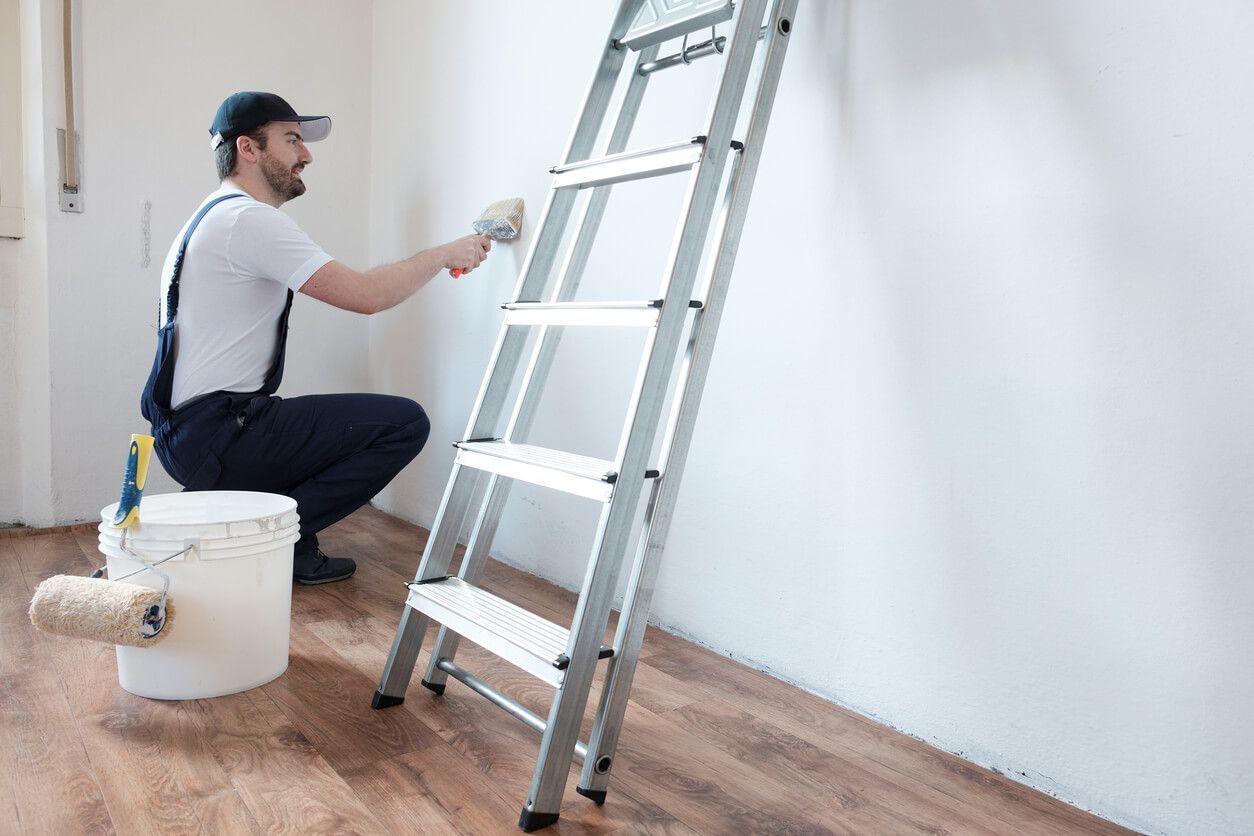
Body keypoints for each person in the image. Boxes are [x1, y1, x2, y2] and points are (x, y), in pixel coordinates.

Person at [141, 91, 491, 585]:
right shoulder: (249, 219)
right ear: (249, 148)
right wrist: (443, 254)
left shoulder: (211, 216)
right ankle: (255, 543)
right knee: (403, 424)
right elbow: (365, 296)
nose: (306, 155)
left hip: (189, 433)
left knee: (306, 426)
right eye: (291, 140)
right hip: (219, 433)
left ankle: (283, 543)